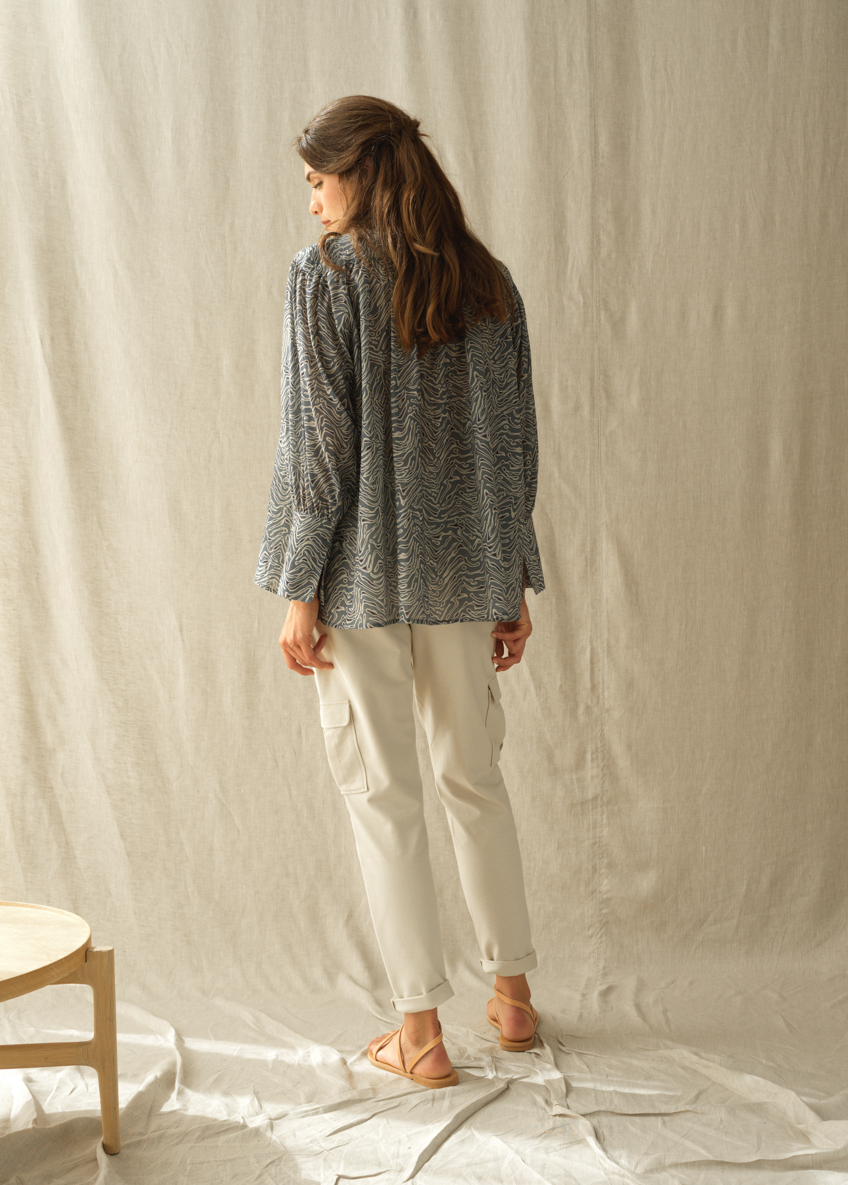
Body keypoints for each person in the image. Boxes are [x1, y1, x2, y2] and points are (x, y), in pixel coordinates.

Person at [254, 96, 547, 1089]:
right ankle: (514, 997)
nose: (312, 204)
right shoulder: (488, 281)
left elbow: (319, 449)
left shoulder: (326, 278)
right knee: (476, 780)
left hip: (360, 582)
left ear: (361, 171)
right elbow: (515, 444)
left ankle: (419, 1033)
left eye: (318, 181)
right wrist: (512, 573)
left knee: (386, 799)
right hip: (467, 577)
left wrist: (299, 587)